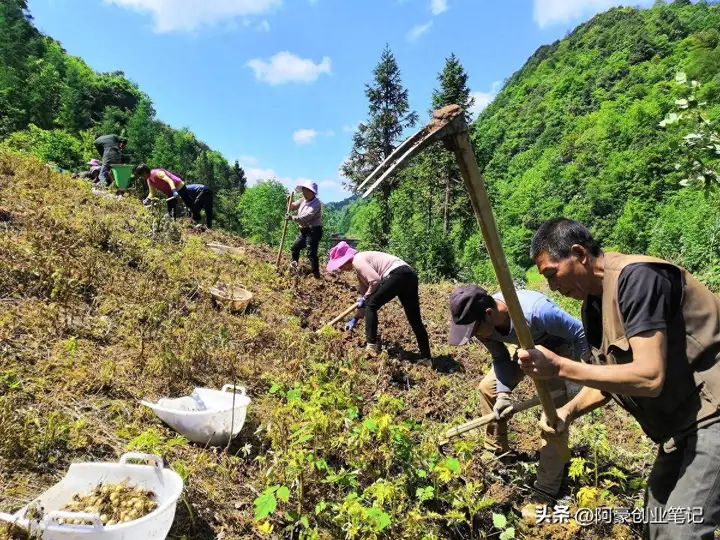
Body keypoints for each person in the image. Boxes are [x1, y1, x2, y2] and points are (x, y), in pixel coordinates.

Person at [519, 217, 720, 539]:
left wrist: (560, 367)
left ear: (579, 253)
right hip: (680, 425)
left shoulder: (639, 278)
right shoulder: (593, 305)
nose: (553, 287)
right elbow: (609, 381)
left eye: (552, 274)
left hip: (713, 415)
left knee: (683, 531)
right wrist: (566, 412)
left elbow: (649, 376)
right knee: (656, 523)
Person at [449, 284, 587, 505]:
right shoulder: (482, 323)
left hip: (561, 352)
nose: (474, 336)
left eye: (474, 330)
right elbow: (501, 357)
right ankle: (497, 451)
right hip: (525, 350)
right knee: (488, 388)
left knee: (554, 420)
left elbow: (580, 332)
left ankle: (546, 490)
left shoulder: (537, 312)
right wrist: (503, 394)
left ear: (489, 314)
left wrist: (577, 375)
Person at [326, 241, 432, 365]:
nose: (341, 269)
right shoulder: (360, 269)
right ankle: (427, 358)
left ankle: (371, 347)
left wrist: (365, 299)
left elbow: (375, 281)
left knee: (372, 305)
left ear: (345, 260)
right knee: (414, 319)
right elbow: (364, 297)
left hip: (397, 274)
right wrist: (355, 318)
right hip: (409, 275)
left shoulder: (357, 260)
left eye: (340, 265)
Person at [287, 180, 323, 279]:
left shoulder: (316, 203)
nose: (304, 194)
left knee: (311, 253)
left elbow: (306, 217)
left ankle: (316, 275)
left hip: (313, 231)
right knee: (294, 248)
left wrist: (292, 218)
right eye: (303, 191)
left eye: (306, 191)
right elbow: (292, 207)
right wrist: (289, 200)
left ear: (312, 192)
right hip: (304, 231)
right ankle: (294, 269)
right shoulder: (303, 199)